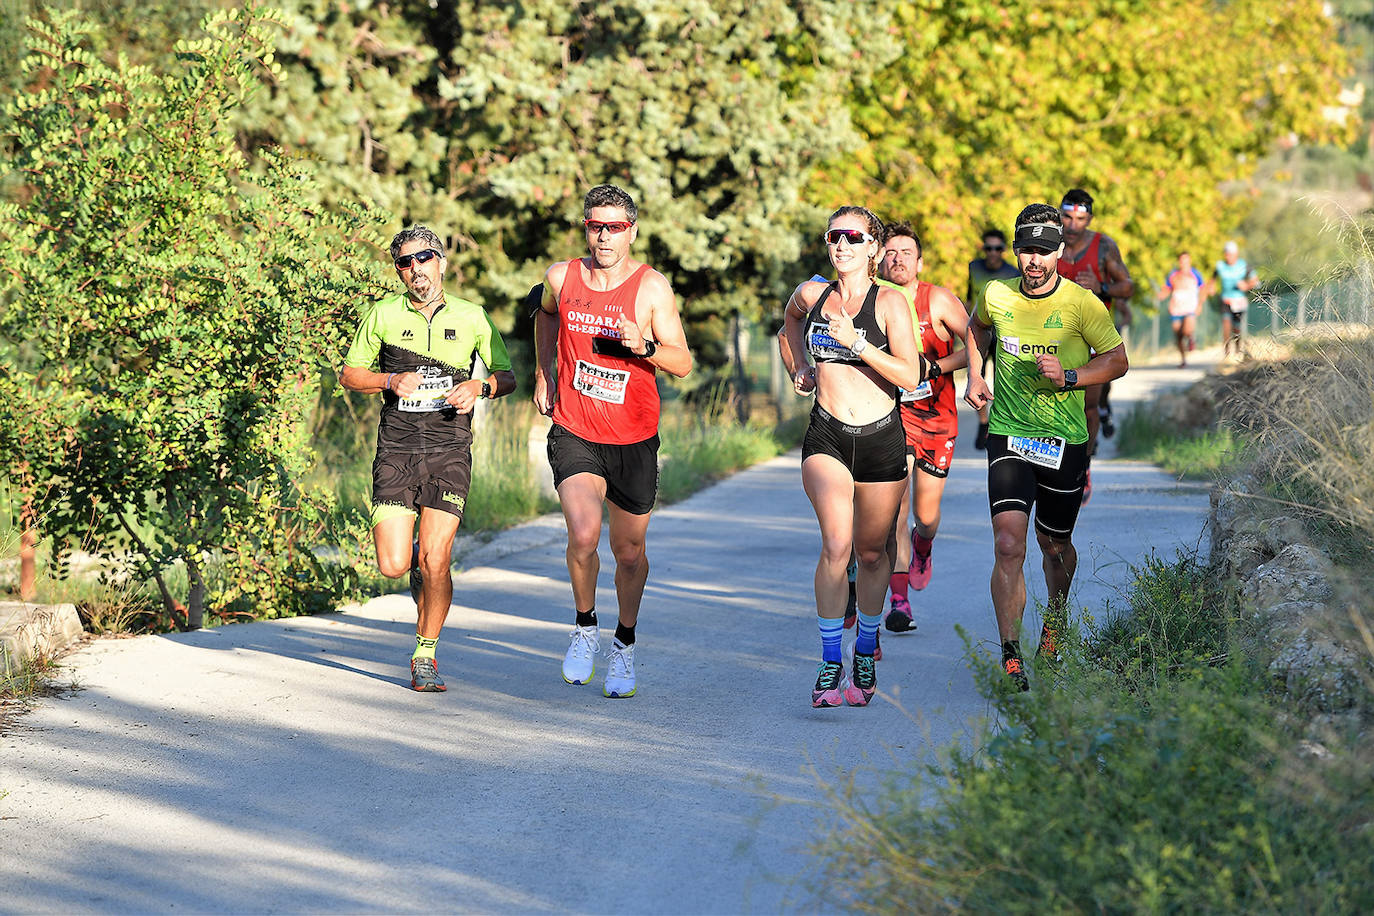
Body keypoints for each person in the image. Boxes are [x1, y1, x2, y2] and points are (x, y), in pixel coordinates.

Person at [533, 184, 694, 699]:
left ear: (632, 231)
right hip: (575, 427)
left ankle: (624, 641)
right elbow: (545, 315)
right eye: (595, 226)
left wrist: (642, 345)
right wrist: (544, 373)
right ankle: (585, 626)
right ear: (586, 228)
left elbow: (682, 362)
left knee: (628, 552)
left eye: (614, 227)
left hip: (634, 435)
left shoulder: (651, 289)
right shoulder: (562, 277)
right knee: (583, 536)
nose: (604, 236)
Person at [340, 225, 516, 692]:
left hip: (449, 447)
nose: (414, 269)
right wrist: (387, 382)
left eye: (423, 258)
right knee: (395, 565)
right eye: (404, 262)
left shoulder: (473, 315)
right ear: (398, 270)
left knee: (437, 558)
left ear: (441, 261)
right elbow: (350, 374)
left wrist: (479, 387)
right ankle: (418, 564)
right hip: (397, 446)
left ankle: (425, 655)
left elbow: (507, 376)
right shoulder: (382, 314)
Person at [963, 203, 1128, 690]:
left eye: (1043, 251)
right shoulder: (996, 293)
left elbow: (1117, 361)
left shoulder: (1082, 304)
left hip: (1064, 440)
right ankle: (1011, 653)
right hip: (1010, 434)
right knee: (1008, 543)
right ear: (1015, 251)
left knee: (1053, 546)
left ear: (1059, 252)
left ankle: (1054, 621)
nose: (1033, 260)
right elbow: (976, 328)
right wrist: (974, 374)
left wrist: (1071, 376)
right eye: (1026, 250)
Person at [782, 206, 926, 708]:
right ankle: (829, 661)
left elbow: (910, 375)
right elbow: (788, 327)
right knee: (837, 545)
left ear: (873, 248)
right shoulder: (811, 293)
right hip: (826, 434)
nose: (841, 245)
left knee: (871, 552)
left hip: (883, 437)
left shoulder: (890, 304)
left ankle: (865, 646)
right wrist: (799, 366)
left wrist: (857, 343)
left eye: (853, 237)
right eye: (834, 236)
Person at [880, 222, 969, 632]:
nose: (898, 259)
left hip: (936, 419)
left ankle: (924, 544)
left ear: (920, 261)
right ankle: (899, 602)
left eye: (906, 253)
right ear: (880, 256)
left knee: (924, 515)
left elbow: (974, 346)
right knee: (894, 510)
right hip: (889, 416)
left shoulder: (937, 300)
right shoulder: (872, 297)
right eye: (891, 252)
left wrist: (934, 367)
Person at [1055, 189, 1134, 501]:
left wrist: (1101, 286)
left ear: (1089, 219)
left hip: (1093, 341)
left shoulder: (1103, 247)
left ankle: (1082, 468)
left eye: (1080, 219)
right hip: (1054, 340)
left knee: (1087, 406)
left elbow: (1128, 286)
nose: (1073, 225)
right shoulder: (1049, 242)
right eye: (1067, 217)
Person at [966, 229, 1020, 450]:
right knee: (977, 376)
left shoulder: (1012, 272)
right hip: (980, 331)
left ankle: (1001, 424)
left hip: (1003, 335)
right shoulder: (974, 267)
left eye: (998, 248)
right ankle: (982, 422)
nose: (993, 253)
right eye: (989, 248)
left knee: (1002, 381)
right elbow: (970, 297)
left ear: (1004, 251)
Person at [1214, 241, 1258, 358]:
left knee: (1236, 328)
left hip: (1238, 301)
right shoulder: (1220, 266)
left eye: (1231, 254)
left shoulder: (1243, 265)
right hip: (1225, 300)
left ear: (1236, 254)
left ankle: (1238, 350)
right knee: (1226, 325)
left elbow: (1256, 281)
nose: (1228, 257)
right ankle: (1227, 353)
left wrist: (1246, 285)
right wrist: (1211, 288)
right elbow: (1212, 280)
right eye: (1226, 254)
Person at [1162, 251, 1206, 367]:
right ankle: (1183, 359)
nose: (1184, 263)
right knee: (1178, 333)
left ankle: (1191, 338)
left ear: (1189, 261)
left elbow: (1203, 289)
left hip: (1190, 307)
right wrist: (1161, 295)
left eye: (1186, 261)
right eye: (1182, 261)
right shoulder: (1173, 275)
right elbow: (1167, 289)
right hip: (1177, 308)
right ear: (1179, 262)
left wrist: (1200, 304)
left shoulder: (1196, 274)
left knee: (1187, 329)